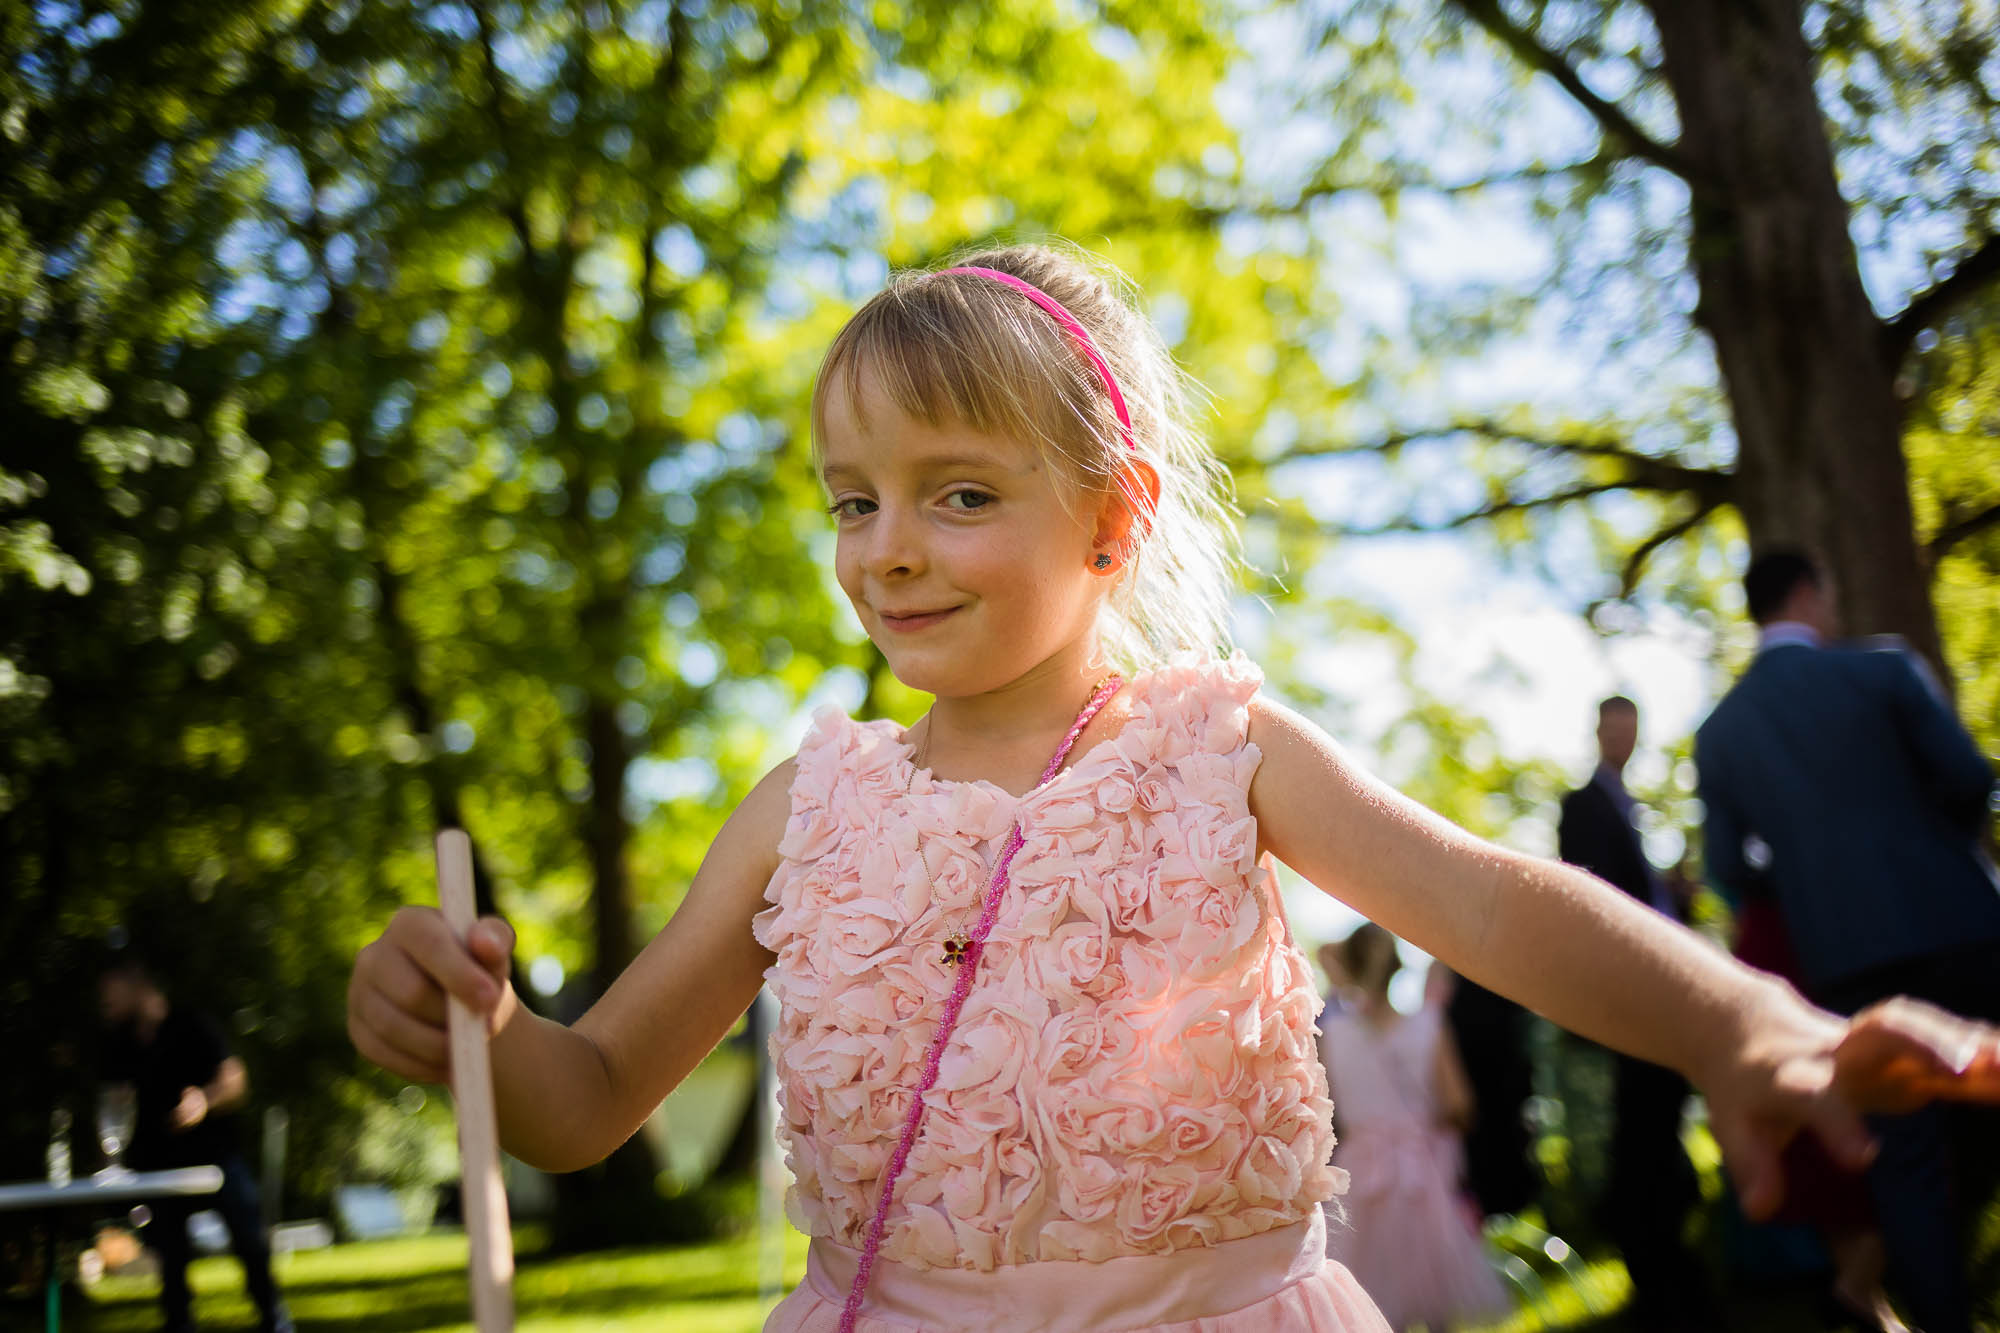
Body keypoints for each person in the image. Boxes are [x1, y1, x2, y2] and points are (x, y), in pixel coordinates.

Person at [346, 244, 2000, 1333]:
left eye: (958, 491)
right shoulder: (804, 806)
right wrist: (477, 1031)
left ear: (1114, 516)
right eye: (851, 500)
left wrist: (1737, 1022)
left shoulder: (1220, 752)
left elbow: (1491, 897)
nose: (887, 548)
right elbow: (585, 1095)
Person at [1696, 548, 2000, 1333]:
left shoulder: (1723, 732)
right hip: (1965, 928)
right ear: (1809, 591)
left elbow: (1730, 867)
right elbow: (1968, 777)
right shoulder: (1885, 670)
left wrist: (1816, 888)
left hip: (1844, 958)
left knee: (1906, 1161)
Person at [1555, 695, 1706, 1328]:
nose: (1625, 738)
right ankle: (1655, 1271)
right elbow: (1595, 895)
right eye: (1616, 727)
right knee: (1643, 1127)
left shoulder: (1632, 805)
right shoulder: (1584, 805)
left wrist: (1673, 897)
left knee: (1659, 1120)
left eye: (1633, 728)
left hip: (1658, 982)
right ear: (1598, 731)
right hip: (1629, 991)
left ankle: (1671, 1260)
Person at [1320, 925, 1509, 1331]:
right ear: (1397, 968)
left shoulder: (1331, 1036)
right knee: (1432, 1294)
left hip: (1359, 1171)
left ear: (1350, 965)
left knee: (1370, 1293)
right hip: (1420, 1170)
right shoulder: (1429, 1028)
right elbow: (1460, 1106)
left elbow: (1326, 1112)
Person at [98, 955, 291, 1333]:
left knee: (250, 1241)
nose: (104, 998)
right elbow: (113, 1106)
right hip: (160, 1169)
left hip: (214, 1161)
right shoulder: (119, 1045)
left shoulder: (189, 1025)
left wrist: (205, 1100)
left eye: (110, 987)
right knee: (170, 1257)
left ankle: (274, 1317)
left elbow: (235, 1080)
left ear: (138, 982)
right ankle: (179, 1323)